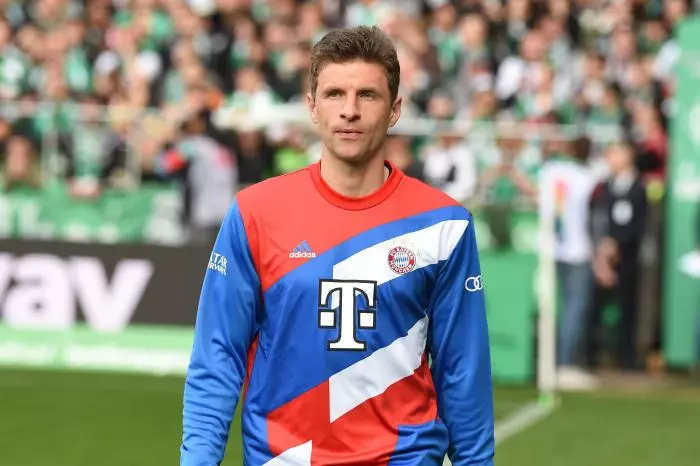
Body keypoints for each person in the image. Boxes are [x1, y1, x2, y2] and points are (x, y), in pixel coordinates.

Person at [180, 26, 494, 466]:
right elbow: (217, 357)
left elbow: (462, 369)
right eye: (334, 94)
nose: (350, 110)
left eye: (367, 95)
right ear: (312, 107)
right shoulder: (255, 212)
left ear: (395, 109)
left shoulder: (444, 225)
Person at [538, 136, 598, 390]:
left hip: (552, 247)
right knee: (575, 308)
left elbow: (538, 198)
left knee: (559, 307)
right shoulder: (588, 176)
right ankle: (564, 364)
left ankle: (554, 363)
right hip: (578, 248)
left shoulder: (551, 170)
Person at [586, 142, 648, 372]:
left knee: (628, 308)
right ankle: (590, 356)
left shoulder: (639, 187)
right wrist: (602, 249)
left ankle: (627, 358)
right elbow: (595, 217)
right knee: (594, 307)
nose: (609, 159)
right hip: (601, 258)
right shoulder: (603, 187)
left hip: (627, 259)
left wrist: (619, 245)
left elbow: (639, 224)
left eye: (614, 154)